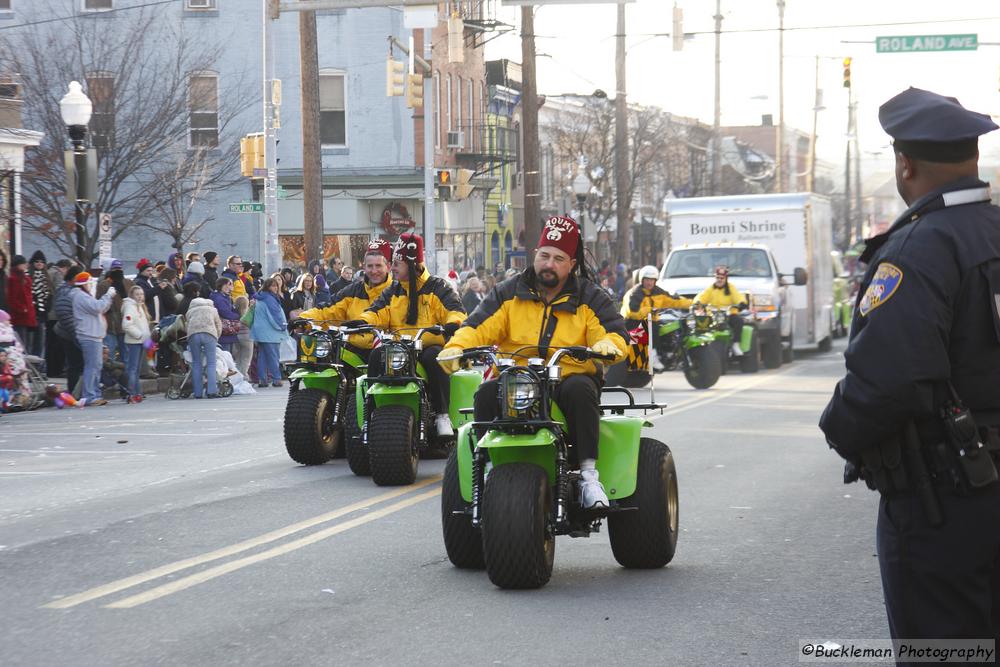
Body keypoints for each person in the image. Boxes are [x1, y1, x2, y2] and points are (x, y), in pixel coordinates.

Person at [820, 87, 1000, 647]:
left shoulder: (919, 247)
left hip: (948, 503)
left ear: (905, 164)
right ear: (973, 159)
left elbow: (887, 380)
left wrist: (838, 427)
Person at [437, 215, 628, 508]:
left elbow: (615, 334)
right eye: (544, 256)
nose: (549, 264)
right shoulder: (509, 291)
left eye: (558, 258)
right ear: (535, 256)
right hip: (518, 377)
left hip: (567, 375)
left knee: (581, 391)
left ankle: (589, 475)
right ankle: (486, 469)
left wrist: (604, 347)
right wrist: (457, 347)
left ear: (571, 265)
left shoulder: (590, 297)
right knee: (487, 392)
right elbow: (478, 325)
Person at [358, 233, 466, 436]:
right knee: (375, 355)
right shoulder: (393, 290)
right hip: (400, 346)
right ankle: (371, 410)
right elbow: (376, 311)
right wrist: (363, 321)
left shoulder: (438, 286)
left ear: (412, 263)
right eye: (393, 262)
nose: (393, 267)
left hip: (427, 344)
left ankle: (442, 414)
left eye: (397, 263)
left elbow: (456, 310)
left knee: (434, 357)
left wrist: (453, 323)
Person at [298, 239, 394, 363]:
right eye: (370, 266)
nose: (374, 271)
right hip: (352, 348)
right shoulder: (353, 289)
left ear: (388, 266)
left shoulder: (398, 291)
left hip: (388, 351)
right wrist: (303, 319)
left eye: (378, 265)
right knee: (322, 362)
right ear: (364, 266)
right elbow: (329, 309)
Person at [621, 265, 692, 371]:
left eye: (652, 280)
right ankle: (652, 357)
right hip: (631, 323)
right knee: (652, 326)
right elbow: (632, 312)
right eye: (647, 280)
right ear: (642, 280)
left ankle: (664, 353)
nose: (649, 282)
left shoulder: (658, 292)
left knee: (664, 328)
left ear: (655, 281)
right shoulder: (635, 293)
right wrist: (649, 310)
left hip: (650, 320)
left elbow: (673, 300)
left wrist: (692, 303)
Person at [70, 271, 113, 406]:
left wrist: (107, 299)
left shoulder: (84, 296)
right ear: (84, 284)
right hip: (89, 335)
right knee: (92, 366)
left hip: (94, 334)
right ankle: (90, 395)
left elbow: (101, 308)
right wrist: (108, 296)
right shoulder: (81, 296)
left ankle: (94, 392)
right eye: (89, 283)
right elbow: (98, 307)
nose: (90, 285)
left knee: (96, 365)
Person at [693, 265, 747, 356]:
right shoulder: (711, 288)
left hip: (728, 315)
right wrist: (697, 303)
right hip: (713, 316)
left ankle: (735, 344)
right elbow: (702, 297)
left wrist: (741, 303)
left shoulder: (731, 288)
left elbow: (738, 297)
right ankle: (699, 347)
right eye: (717, 277)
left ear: (726, 278)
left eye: (722, 278)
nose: (719, 280)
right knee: (699, 323)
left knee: (738, 321)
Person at [251, 277, 288, 388]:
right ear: (267, 287)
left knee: (262, 356)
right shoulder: (269, 298)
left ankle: (262, 380)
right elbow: (275, 315)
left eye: (276, 285)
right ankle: (276, 379)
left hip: (261, 331)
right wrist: (283, 326)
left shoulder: (261, 296)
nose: (276, 288)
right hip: (270, 332)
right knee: (273, 356)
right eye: (273, 285)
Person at [53, 265, 84, 396]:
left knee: (78, 364)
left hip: (75, 331)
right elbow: (65, 315)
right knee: (75, 365)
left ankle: (78, 391)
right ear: (73, 278)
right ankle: (74, 392)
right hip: (69, 333)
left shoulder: (73, 290)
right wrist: (76, 334)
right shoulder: (66, 292)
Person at [185, 293, 223, 399]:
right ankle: (211, 391)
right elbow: (218, 325)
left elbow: (187, 325)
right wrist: (217, 337)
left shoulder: (190, 311)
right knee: (211, 363)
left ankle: (197, 392)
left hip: (193, 335)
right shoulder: (212, 310)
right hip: (209, 334)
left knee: (196, 363)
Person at [96, 259, 132, 362]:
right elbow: (99, 304)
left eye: (119, 268)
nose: (118, 271)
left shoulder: (128, 283)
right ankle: (108, 376)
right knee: (109, 353)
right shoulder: (104, 285)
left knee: (126, 355)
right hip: (110, 324)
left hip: (125, 323)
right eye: (115, 269)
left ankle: (125, 377)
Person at [121, 285, 152, 402]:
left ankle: (138, 392)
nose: (140, 297)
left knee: (137, 369)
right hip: (134, 341)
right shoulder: (130, 308)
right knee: (133, 368)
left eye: (141, 294)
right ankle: (132, 393)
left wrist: (147, 339)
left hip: (141, 341)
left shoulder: (140, 307)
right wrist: (139, 335)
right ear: (132, 296)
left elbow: (143, 325)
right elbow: (127, 325)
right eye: (137, 294)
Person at [27, 251, 53, 361]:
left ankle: (39, 367)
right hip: (30, 315)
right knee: (29, 343)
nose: (39, 263)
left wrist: (47, 308)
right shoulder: (28, 276)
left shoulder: (47, 278)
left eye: (42, 262)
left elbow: (50, 295)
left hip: (42, 316)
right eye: (37, 261)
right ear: (32, 263)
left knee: (40, 343)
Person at [7, 254, 35, 350]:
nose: (25, 265)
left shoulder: (26, 279)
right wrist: (23, 309)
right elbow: (12, 298)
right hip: (20, 317)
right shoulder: (13, 279)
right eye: (23, 263)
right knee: (21, 344)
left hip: (28, 316)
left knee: (29, 344)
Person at [210, 277, 240, 354]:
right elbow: (225, 312)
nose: (232, 286)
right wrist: (238, 316)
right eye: (230, 284)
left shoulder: (225, 297)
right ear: (224, 285)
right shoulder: (219, 298)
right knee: (225, 355)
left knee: (228, 354)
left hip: (227, 331)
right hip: (224, 331)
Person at [233, 295, 253, 379]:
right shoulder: (248, 313)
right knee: (246, 358)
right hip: (247, 337)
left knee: (238, 358)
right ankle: (244, 375)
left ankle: (237, 375)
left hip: (237, 337)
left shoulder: (233, 313)